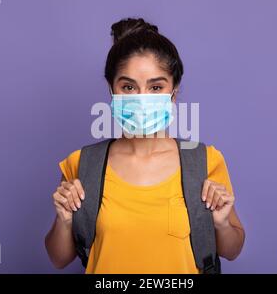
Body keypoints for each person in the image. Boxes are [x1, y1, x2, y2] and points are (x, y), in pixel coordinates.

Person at [45, 17, 245, 273]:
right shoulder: (82, 164)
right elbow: (58, 258)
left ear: (173, 93)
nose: (141, 99)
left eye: (156, 87)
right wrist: (64, 221)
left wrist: (222, 224)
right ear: (112, 90)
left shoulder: (204, 160)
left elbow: (232, 250)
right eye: (128, 86)